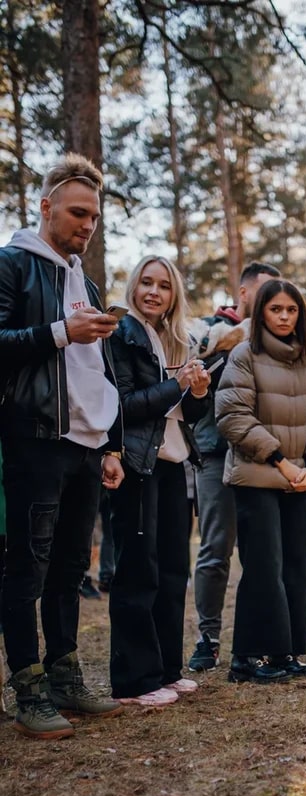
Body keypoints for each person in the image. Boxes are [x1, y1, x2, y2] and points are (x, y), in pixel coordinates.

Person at [0, 153, 124, 738]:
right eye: (77, 213)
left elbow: (94, 370)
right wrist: (58, 332)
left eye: (95, 217)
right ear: (45, 206)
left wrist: (108, 444)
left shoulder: (86, 281)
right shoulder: (13, 266)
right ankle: (26, 690)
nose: (87, 225)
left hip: (83, 446)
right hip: (33, 440)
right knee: (27, 568)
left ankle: (65, 678)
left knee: (72, 567)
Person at [215, 278, 306, 683]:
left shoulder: (305, 362)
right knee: (264, 567)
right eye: (276, 309)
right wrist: (282, 462)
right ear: (261, 311)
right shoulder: (244, 355)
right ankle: (245, 659)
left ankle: (284, 653)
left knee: (297, 566)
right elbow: (233, 418)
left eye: (291, 310)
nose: (284, 317)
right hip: (257, 477)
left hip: (299, 479)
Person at [108, 256, 211, 706]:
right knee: (138, 572)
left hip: (174, 464)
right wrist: (177, 386)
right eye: (146, 282)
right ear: (134, 287)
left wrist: (199, 391)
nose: (153, 291)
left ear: (174, 295)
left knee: (172, 570)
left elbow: (185, 414)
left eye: (163, 286)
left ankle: (167, 669)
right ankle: (134, 681)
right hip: (136, 464)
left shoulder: (175, 340)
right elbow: (124, 405)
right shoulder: (122, 333)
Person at [188, 261, 281, 672]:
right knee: (215, 550)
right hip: (215, 455)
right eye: (263, 293)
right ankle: (207, 638)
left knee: (261, 555)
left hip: (262, 459)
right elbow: (196, 394)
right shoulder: (209, 333)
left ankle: (256, 640)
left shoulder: (274, 342)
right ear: (244, 293)